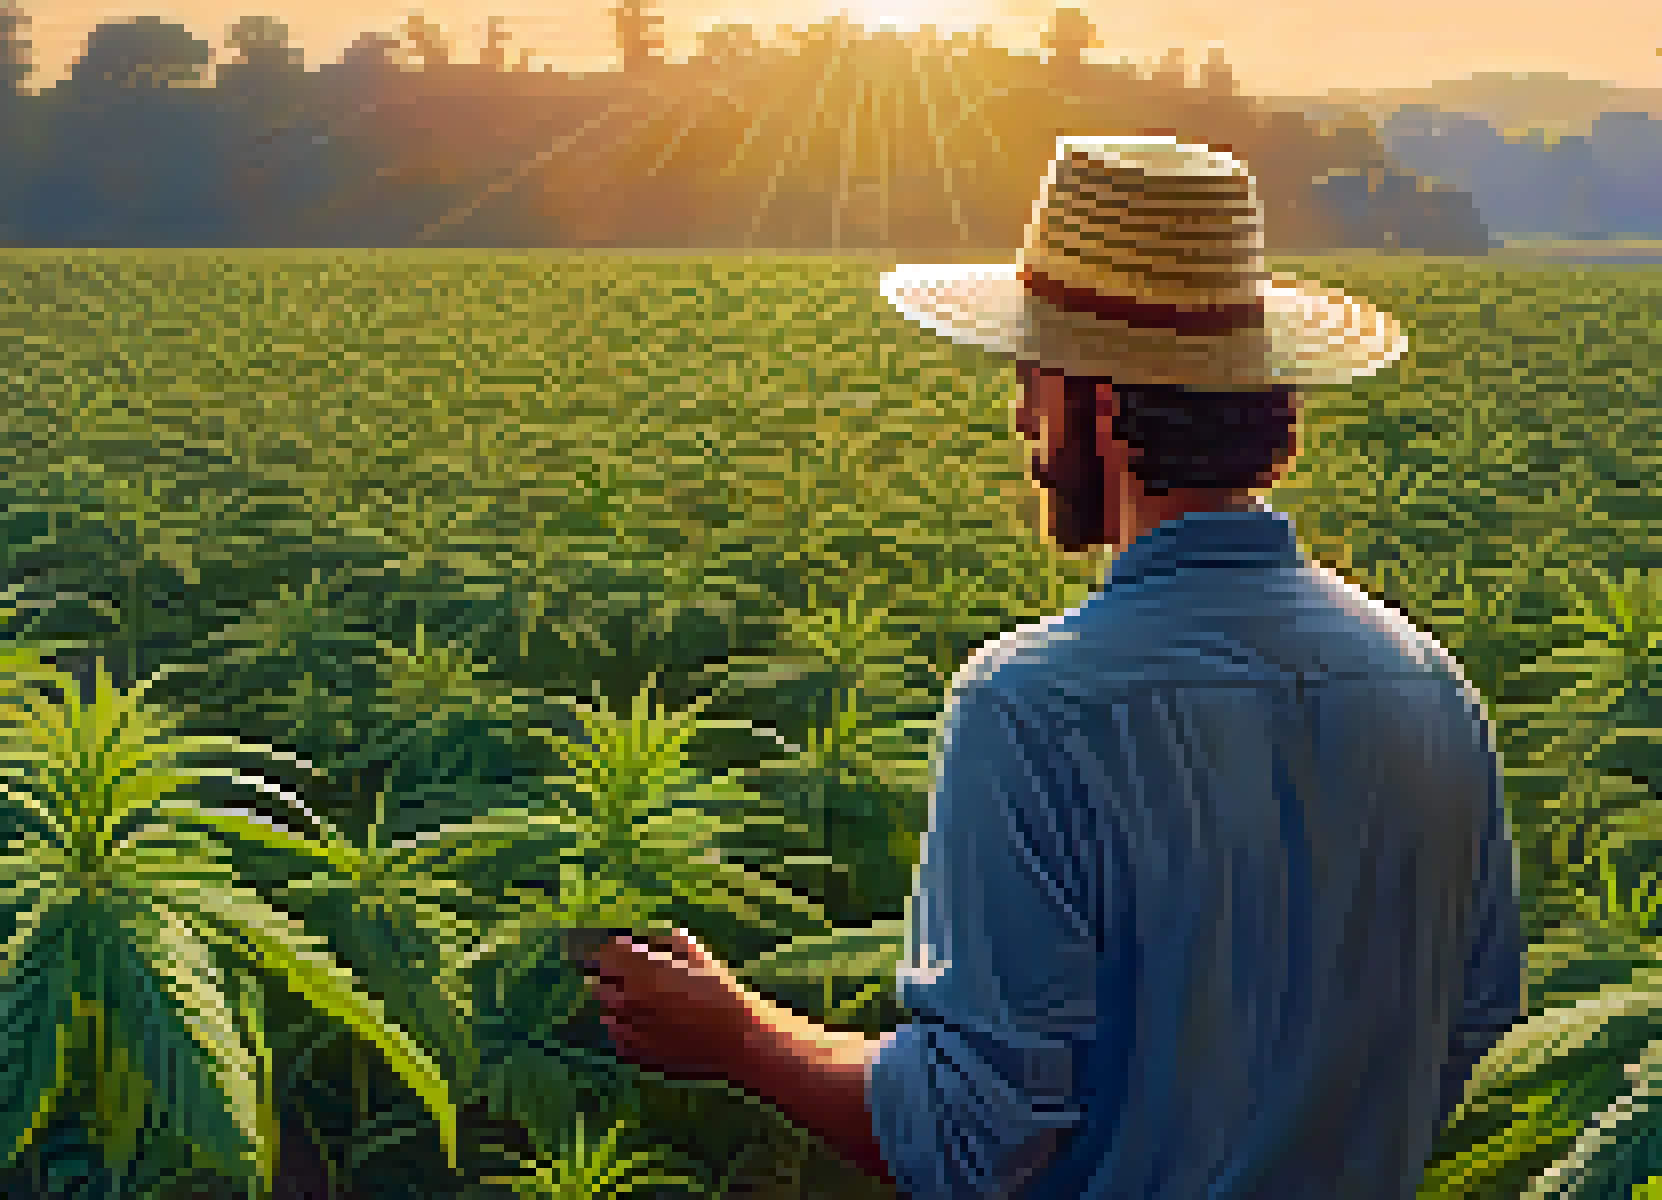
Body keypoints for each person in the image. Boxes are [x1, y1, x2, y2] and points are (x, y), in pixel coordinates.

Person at [585, 134, 1527, 1199]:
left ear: (1103, 405)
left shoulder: (1034, 706)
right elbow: (1478, 1040)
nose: (1022, 417)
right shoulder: (1428, 687)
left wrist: (743, 1038)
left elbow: (972, 1139)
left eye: (1034, 380)